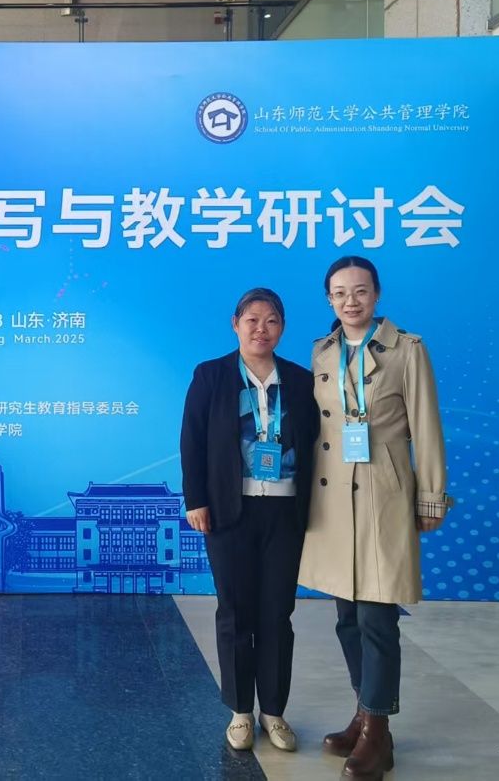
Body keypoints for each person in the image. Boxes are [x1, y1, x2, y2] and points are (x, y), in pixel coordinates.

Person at [298, 256, 452, 779]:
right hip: (333, 497)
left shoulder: (408, 349)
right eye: (339, 293)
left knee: (377, 617)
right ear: (329, 299)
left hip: (384, 492)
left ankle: (379, 733)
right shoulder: (321, 351)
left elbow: (426, 426)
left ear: (377, 294)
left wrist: (431, 496)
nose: (350, 301)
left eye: (360, 291)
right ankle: (364, 715)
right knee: (346, 615)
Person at [181, 288, 319, 752]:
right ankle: (241, 710)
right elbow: (191, 440)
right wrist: (196, 499)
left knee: (277, 613)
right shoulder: (211, 375)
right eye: (252, 319)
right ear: (235, 324)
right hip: (228, 510)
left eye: (272, 320)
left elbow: (317, 443)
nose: (262, 329)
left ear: (283, 327)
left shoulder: (300, 380)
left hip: (285, 510)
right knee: (235, 611)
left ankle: (273, 711)